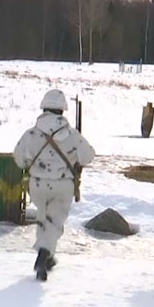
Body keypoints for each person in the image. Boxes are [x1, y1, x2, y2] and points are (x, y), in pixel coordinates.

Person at [12, 88, 95, 281]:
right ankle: (43, 254)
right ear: (62, 111)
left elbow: (18, 158)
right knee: (55, 222)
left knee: (44, 219)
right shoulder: (72, 135)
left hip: (37, 184)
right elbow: (88, 156)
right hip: (62, 185)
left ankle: (47, 257)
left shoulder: (31, 134)